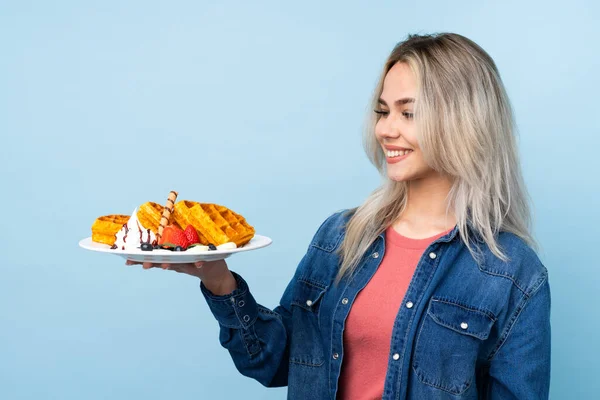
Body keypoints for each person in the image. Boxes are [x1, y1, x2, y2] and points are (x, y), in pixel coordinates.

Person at [127, 32, 551, 399]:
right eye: (383, 111)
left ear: (465, 122)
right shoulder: (341, 236)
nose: (386, 129)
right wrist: (218, 280)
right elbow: (274, 364)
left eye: (409, 112)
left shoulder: (513, 275)